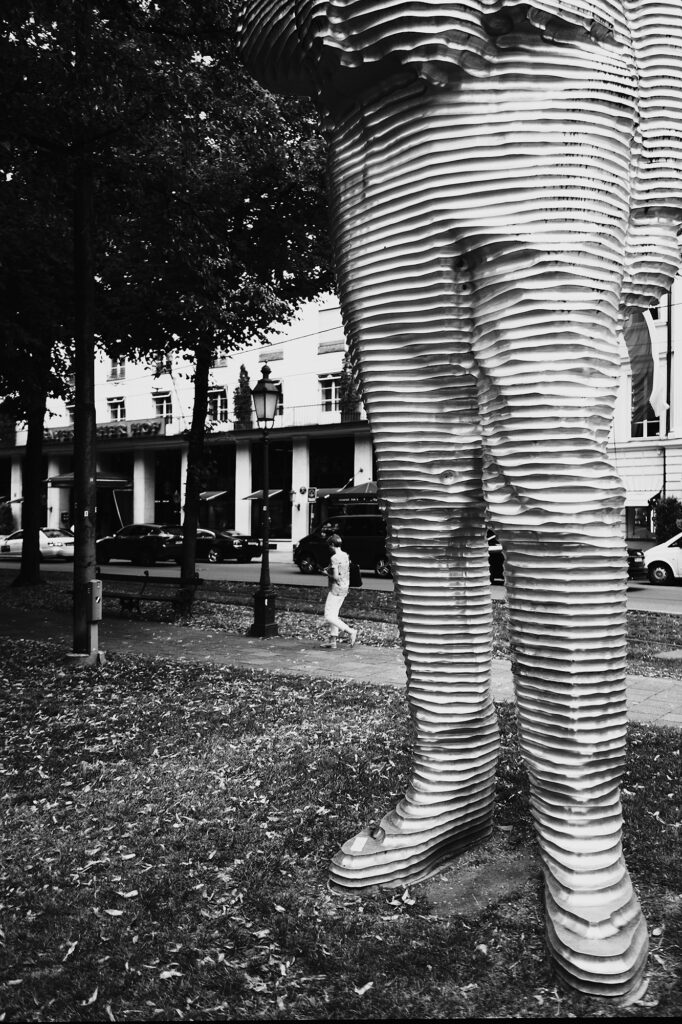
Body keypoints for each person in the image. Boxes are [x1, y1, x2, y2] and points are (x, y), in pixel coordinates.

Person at [239, 0, 682, 998]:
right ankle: (453, 776)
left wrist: (659, 201)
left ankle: (579, 816)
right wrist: (333, 12)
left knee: (556, 491)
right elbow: (252, 32)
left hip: (564, 109)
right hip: (380, 149)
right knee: (424, 499)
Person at [321, 534, 357, 649]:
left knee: (328, 615)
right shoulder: (345, 555)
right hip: (345, 587)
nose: (329, 548)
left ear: (332, 545)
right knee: (334, 614)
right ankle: (333, 641)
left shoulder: (334, 558)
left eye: (329, 546)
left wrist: (327, 573)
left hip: (336, 589)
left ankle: (350, 631)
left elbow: (336, 577)